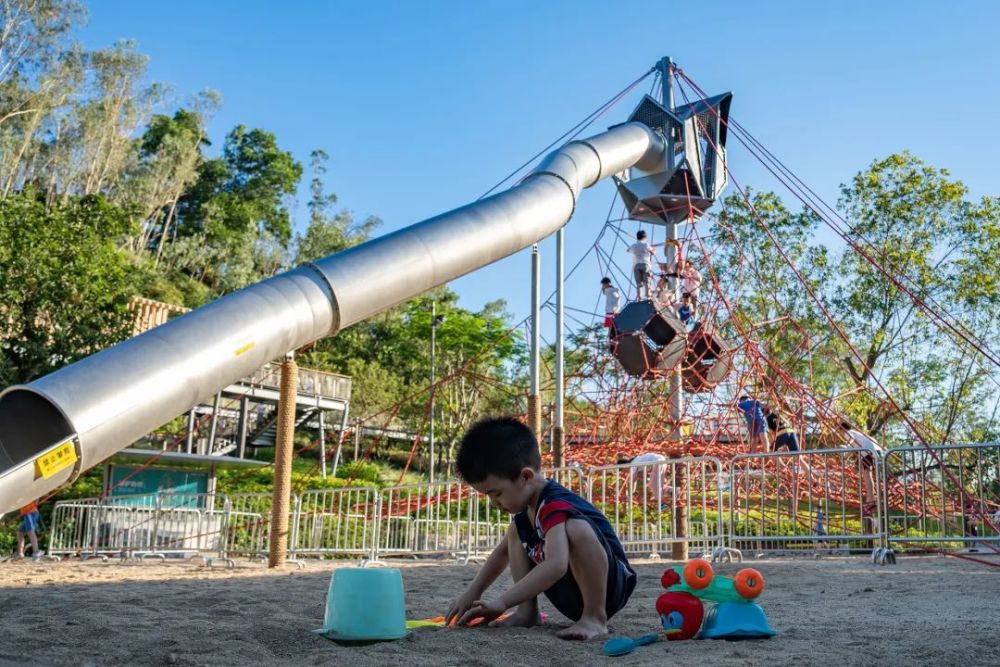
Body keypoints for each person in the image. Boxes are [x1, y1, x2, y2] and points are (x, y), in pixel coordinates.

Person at [447, 417, 636, 640]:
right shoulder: (526, 513)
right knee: (515, 532)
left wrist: (502, 602)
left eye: (496, 493)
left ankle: (594, 617)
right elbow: (502, 553)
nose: (494, 503)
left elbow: (556, 565)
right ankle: (527, 612)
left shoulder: (554, 504)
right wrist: (473, 591)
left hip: (610, 588)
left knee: (576, 528)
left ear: (526, 476)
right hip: (571, 592)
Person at [839, 421, 884, 515]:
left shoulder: (848, 433)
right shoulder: (855, 432)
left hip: (868, 451)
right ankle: (872, 497)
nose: (839, 431)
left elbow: (852, 442)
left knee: (867, 474)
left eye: (838, 429)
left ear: (842, 428)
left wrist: (845, 455)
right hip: (872, 449)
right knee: (868, 473)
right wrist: (847, 453)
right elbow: (854, 444)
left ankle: (871, 499)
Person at [627, 230, 660, 300]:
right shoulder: (646, 245)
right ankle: (648, 295)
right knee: (646, 282)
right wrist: (654, 249)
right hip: (645, 264)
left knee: (638, 283)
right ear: (645, 237)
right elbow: (653, 253)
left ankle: (639, 297)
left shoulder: (633, 246)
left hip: (636, 266)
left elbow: (628, 250)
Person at [600, 277, 621, 347]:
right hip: (616, 311)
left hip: (610, 311)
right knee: (614, 327)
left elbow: (603, 291)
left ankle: (612, 340)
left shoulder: (608, 290)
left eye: (603, 285)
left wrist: (605, 287)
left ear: (606, 284)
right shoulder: (616, 290)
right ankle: (613, 339)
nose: (603, 286)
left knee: (611, 327)